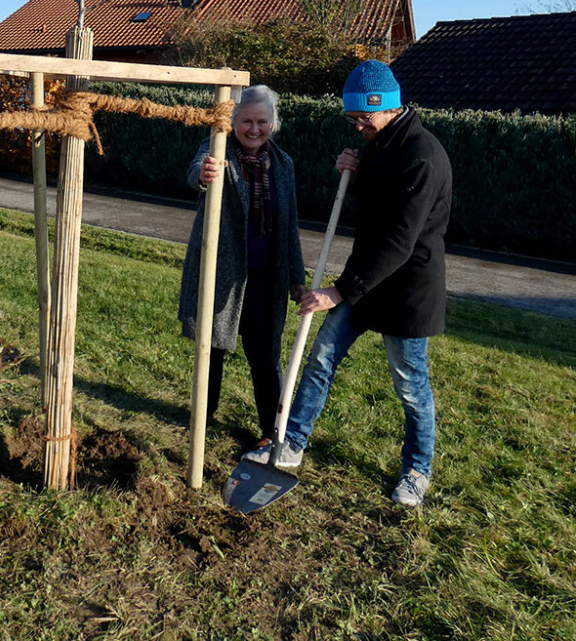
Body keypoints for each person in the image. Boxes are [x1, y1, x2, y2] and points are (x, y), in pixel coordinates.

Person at [245, 60, 451, 508]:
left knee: (410, 385)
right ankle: (292, 443)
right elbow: (377, 208)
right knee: (321, 356)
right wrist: (356, 175)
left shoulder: (422, 157)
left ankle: (418, 468)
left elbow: (399, 240)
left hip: (408, 290)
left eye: (364, 118)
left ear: (389, 108)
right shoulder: (381, 145)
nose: (358, 127)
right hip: (366, 283)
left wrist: (338, 292)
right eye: (352, 119)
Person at [178, 85, 305, 446]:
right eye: (246, 121)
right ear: (233, 122)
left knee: (266, 354)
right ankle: (203, 415)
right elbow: (196, 172)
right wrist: (204, 174)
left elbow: (290, 223)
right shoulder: (217, 150)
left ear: (273, 124)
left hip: (267, 276)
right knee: (212, 347)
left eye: (262, 122)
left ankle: (271, 429)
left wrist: (297, 277)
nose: (253, 129)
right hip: (222, 272)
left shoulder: (283, 165)